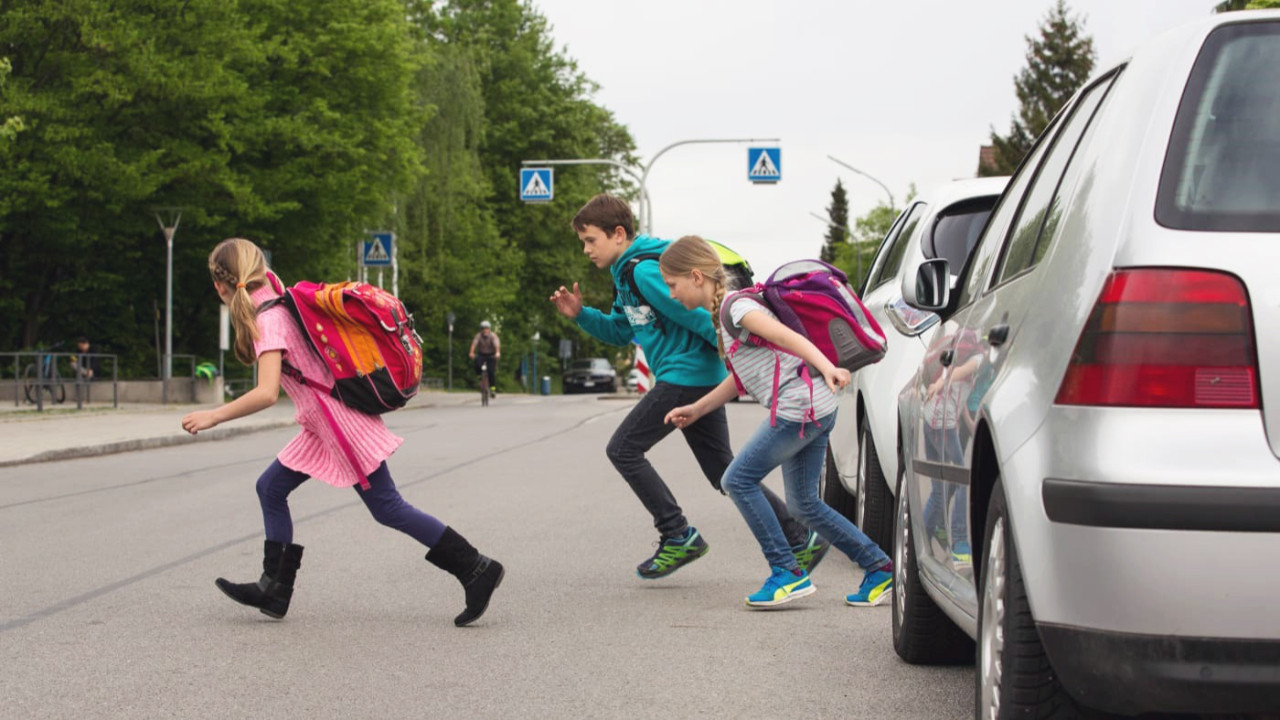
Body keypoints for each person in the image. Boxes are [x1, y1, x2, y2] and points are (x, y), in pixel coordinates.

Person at [180, 238, 503, 626]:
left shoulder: (268, 317)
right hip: (321, 424)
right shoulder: (277, 297)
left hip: (339, 425)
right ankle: (273, 588)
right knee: (271, 488)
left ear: (221, 286)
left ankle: (476, 568)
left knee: (387, 507)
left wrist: (214, 416)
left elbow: (266, 393)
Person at [549, 194, 827, 580]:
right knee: (723, 473)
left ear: (617, 234)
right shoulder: (625, 275)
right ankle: (799, 539)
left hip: (686, 377)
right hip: (696, 379)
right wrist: (581, 315)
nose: (585, 250)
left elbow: (702, 314)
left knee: (624, 449)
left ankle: (676, 533)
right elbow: (620, 331)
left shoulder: (643, 272)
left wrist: (740, 359)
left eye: (590, 240)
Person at [660, 236, 892, 609]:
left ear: (696, 276)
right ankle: (879, 568)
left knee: (736, 479)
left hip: (799, 408)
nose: (671, 294)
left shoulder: (735, 309)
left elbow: (788, 336)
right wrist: (698, 409)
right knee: (803, 503)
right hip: (813, 406)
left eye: (672, 285)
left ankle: (786, 572)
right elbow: (741, 378)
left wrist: (828, 367)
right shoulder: (729, 313)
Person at [469, 320, 500, 396]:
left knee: (491, 372)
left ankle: (493, 389)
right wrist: (471, 352)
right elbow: (474, 345)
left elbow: (496, 346)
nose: (485, 330)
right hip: (481, 354)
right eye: (483, 328)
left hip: (491, 355)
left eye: (487, 328)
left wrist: (497, 353)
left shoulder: (493, 336)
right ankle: (480, 379)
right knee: (477, 365)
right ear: (481, 329)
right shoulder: (478, 336)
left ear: (489, 329)